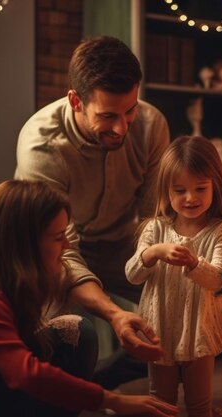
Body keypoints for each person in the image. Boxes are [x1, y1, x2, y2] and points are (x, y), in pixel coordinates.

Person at [15, 35, 171, 388]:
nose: (122, 127)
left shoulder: (152, 125)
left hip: (120, 245)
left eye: (130, 110)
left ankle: (101, 386)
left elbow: (154, 219)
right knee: (73, 338)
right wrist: (116, 315)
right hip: (51, 254)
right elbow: (62, 248)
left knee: (181, 311)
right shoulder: (41, 146)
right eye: (107, 116)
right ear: (75, 101)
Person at [0, 180, 178, 417]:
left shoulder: (17, 282)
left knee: (78, 331)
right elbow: (25, 373)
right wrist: (113, 400)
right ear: (25, 244)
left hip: (3, 389)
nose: (65, 246)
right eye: (57, 237)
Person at [125, 136, 222, 417]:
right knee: (161, 400)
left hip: (198, 329)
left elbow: (219, 280)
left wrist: (194, 264)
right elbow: (132, 275)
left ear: (215, 186)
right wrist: (152, 253)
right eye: (180, 190)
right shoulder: (155, 229)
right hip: (160, 328)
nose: (191, 198)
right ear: (167, 192)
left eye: (200, 188)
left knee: (199, 403)